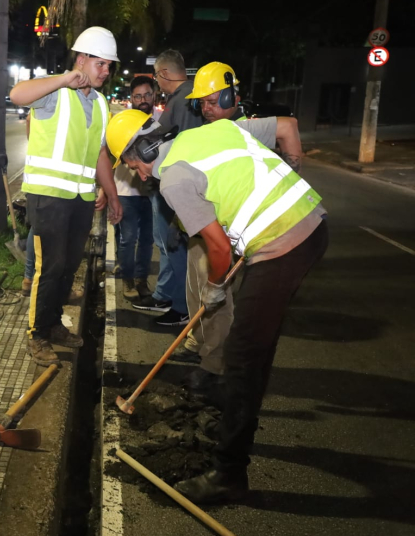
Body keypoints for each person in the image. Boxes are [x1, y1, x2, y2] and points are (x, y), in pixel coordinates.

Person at [106, 108, 328, 504]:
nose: (137, 173)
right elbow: (281, 135)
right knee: (255, 345)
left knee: (243, 356)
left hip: (283, 244)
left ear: (146, 146)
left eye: (133, 162)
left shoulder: (173, 178)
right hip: (310, 224)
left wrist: (214, 288)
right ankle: (234, 413)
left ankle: (229, 473)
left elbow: (220, 249)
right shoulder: (214, 131)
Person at [10, 26, 123, 367]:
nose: (105, 71)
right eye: (100, 63)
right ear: (82, 58)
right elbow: (17, 94)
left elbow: (101, 153)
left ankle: (55, 324)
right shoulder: (55, 91)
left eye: (109, 65)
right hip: (48, 196)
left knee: (69, 266)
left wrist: (112, 194)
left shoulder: (102, 104)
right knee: (50, 267)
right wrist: (63, 80)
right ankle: (37, 335)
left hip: (81, 198)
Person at [168, 62, 247, 395]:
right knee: (197, 292)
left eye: (214, 101)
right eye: (202, 103)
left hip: (224, 234)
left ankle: (213, 366)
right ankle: (199, 339)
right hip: (201, 228)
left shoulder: (246, 133)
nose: (207, 109)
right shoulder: (207, 132)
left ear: (233, 95)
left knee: (218, 300)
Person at [131, 50, 202, 327]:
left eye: (156, 80)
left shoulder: (183, 102)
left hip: (177, 188)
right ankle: (169, 296)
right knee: (169, 246)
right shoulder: (190, 97)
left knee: (175, 247)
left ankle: (183, 307)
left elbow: (176, 148)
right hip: (175, 186)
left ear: (162, 74)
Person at [110, 75, 158, 300]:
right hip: (126, 191)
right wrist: (107, 191)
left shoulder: (159, 123)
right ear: (131, 98)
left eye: (147, 94)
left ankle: (141, 279)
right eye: (138, 96)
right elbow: (109, 157)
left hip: (151, 193)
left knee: (148, 239)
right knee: (128, 238)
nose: (143, 99)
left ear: (154, 94)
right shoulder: (123, 122)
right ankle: (127, 278)